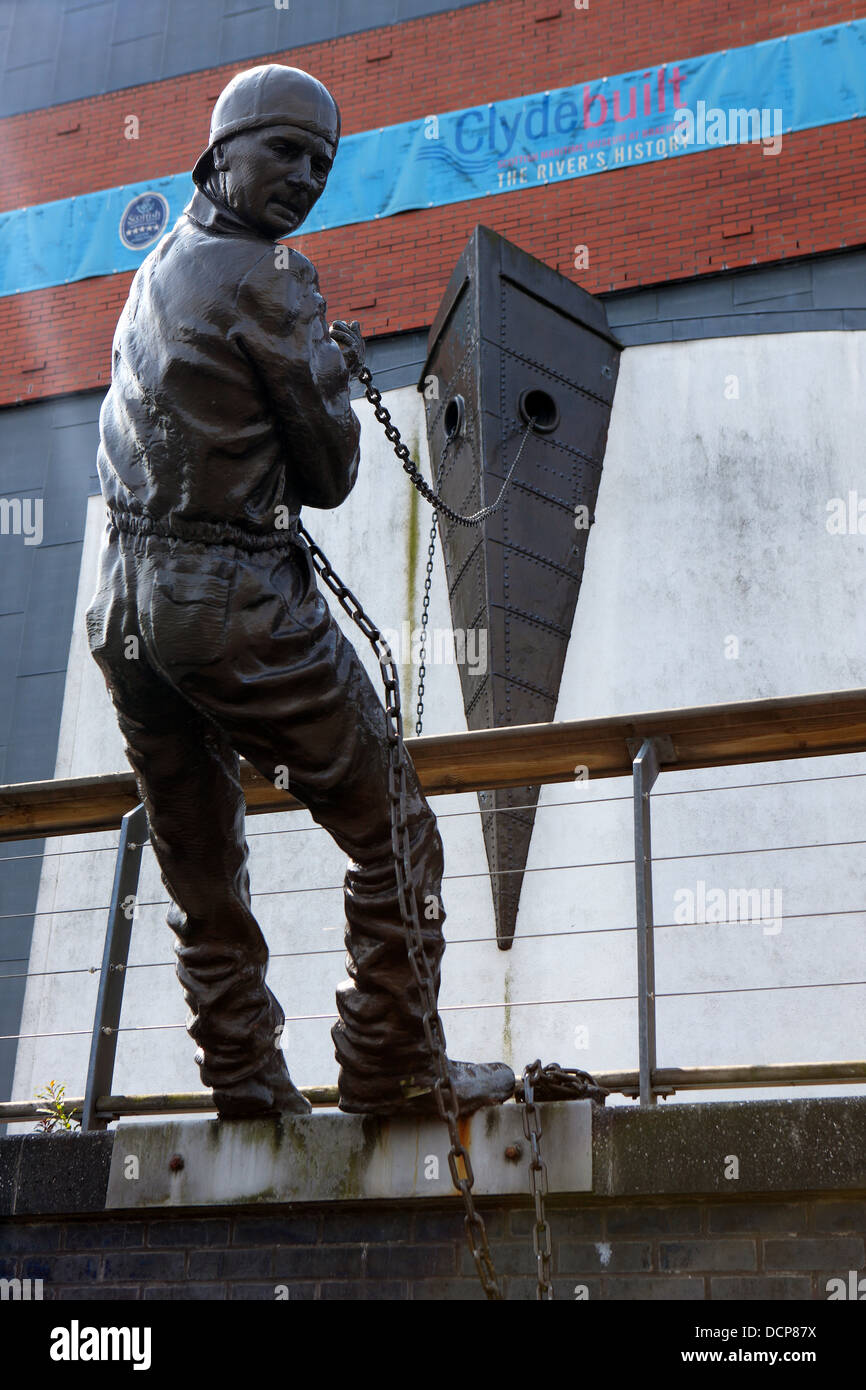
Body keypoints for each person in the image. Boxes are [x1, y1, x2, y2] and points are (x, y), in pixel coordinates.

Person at [86, 64, 514, 1120]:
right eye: (285, 150)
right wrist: (329, 368)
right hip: (225, 599)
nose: (305, 178)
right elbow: (328, 475)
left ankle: (242, 1076)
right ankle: (392, 1059)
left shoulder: (157, 268)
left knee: (197, 851)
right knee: (396, 830)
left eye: (321, 161)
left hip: (124, 610)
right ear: (219, 153)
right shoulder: (271, 275)